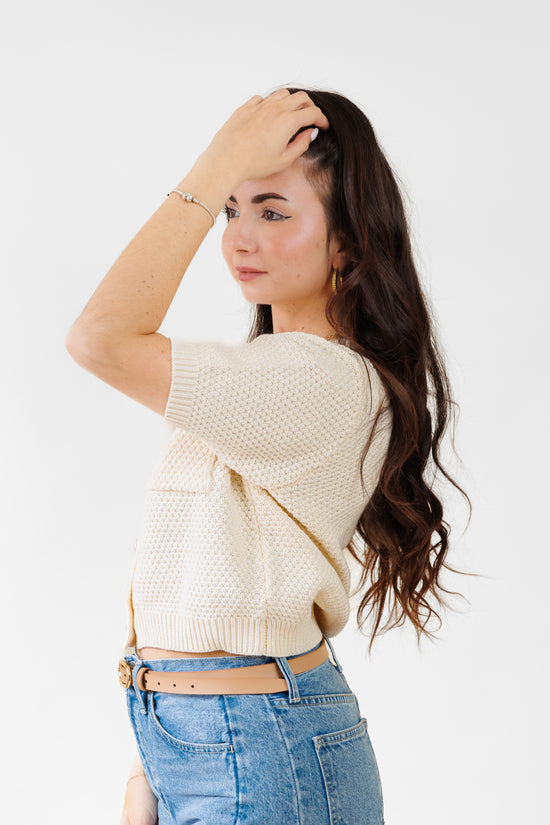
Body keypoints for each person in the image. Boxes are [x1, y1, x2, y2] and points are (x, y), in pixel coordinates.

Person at [65, 85, 470, 825]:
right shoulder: (266, 379)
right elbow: (208, 573)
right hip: (214, 739)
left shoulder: (320, 381)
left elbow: (100, 339)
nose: (238, 238)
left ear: (348, 244)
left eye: (273, 211)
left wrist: (215, 162)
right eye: (230, 209)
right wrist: (150, 763)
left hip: (259, 746)